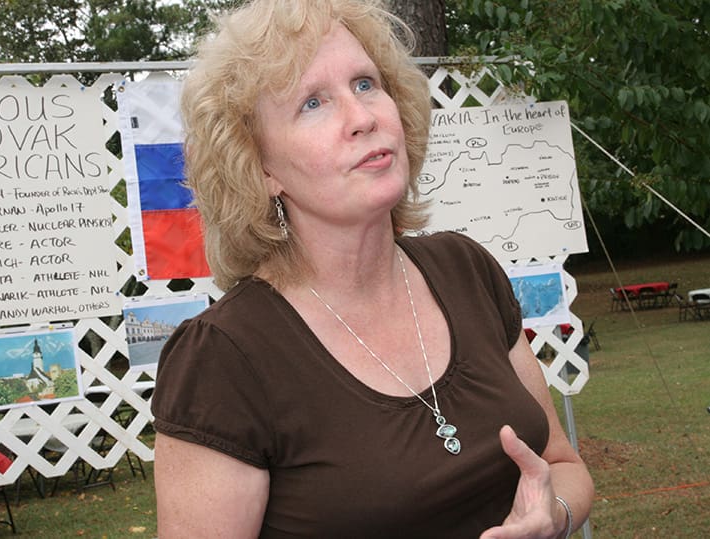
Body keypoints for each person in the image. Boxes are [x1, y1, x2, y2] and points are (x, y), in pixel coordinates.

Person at [151, 0, 594, 537]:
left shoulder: (466, 268)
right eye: (312, 103)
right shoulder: (224, 357)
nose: (363, 117)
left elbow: (562, 464)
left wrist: (553, 517)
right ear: (260, 167)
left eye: (365, 84)